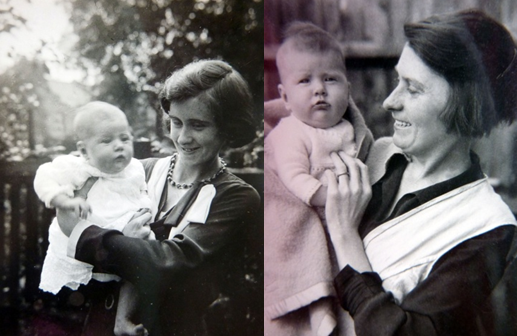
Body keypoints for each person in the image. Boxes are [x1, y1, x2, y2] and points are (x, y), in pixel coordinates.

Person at [323, 9, 517, 335]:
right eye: (399, 79)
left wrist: (345, 236)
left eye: (412, 88)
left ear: (466, 102)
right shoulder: (374, 155)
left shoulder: (487, 227)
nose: (388, 101)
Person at [56, 60, 261, 336]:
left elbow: (168, 261)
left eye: (198, 125)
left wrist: (83, 235)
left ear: (227, 128)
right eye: (176, 122)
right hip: (102, 323)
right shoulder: (140, 171)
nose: (183, 137)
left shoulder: (236, 197)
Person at [264, 22, 372, 335]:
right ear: (285, 97)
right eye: (305, 80)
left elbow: (364, 162)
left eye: (330, 79)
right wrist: (331, 197)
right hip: (312, 220)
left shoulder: (350, 130)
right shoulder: (291, 133)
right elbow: (293, 176)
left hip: (345, 227)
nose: (319, 89)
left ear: (348, 90)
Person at [34, 101, 153, 336]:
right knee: (76, 313)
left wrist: (145, 213)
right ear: (84, 150)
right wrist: (64, 200)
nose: (119, 147)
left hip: (125, 246)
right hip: (85, 253)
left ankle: (123, 318)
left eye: (124, 138)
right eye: (107, 141)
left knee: (141, 264)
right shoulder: (77, 167)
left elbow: (143, 194)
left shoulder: (136, 169)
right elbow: (44, 176)